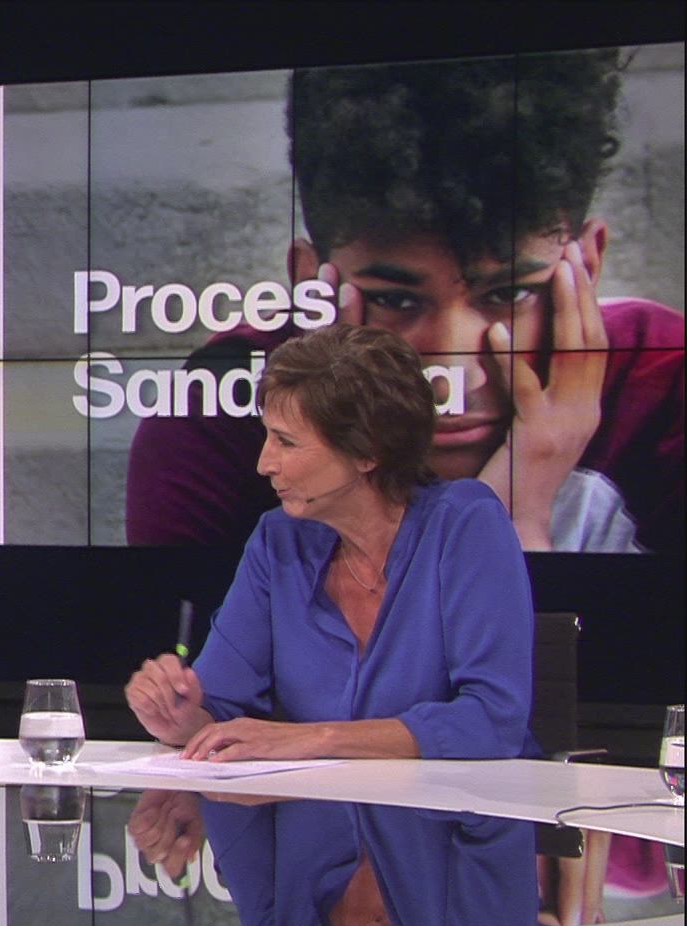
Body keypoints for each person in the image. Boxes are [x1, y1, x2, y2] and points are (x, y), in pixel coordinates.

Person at [127, 50, 683, 553]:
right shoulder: (217, 420)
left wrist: (517, 519)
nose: (452, 374)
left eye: (509, 293)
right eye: (394, 299)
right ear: (309, 286)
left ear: (587, 264)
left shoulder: (666, 391)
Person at [124, 323, 533, 763]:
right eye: (267, 436)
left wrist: (315, 739)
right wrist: (180, 718)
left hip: (462, 804)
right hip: (317, 805)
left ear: (368, 450)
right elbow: (219, 704)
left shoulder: (463, 523)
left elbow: (492, 720)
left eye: (286, 441)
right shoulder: (278, 541)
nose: (264, 463)